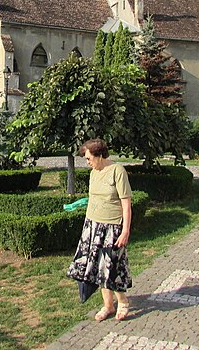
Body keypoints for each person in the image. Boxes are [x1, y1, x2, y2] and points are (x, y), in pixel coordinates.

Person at [66, 138, 133, 321]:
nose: (87, 163)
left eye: (89, 158)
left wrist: (125, 230)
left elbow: (126, 204)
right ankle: (108, 305)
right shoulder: (94, 173)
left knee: (112, 266)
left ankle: (123, 302)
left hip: (112, 226)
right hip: (93, 225)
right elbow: (94, 199)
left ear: (100, 155)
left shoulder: (117, 171)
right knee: (97, 267)